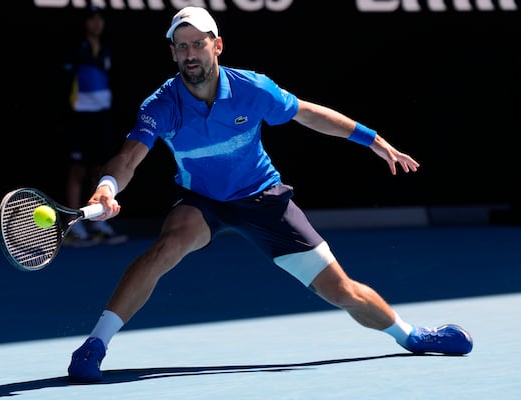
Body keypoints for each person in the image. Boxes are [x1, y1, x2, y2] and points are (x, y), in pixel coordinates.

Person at [67, 6, 473, 382]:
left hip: (262, 196)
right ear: (173, 53)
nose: (191, 54)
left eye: (198, 43)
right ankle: (94, 345)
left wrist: (372, 140)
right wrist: (106, 188)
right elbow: (127, 157)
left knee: (341, 290)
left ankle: (411, 336)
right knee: (163, 250)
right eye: (182, 46)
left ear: (217, 45)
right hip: (203, 201)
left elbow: (310, 113)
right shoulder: (162, 103)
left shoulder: (252, 89)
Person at [60, 5, 127, 246]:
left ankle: (98, 221)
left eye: (100, 19)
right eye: (92, 19)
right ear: (85, 23)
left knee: (100, 170)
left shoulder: (107, 51)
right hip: (80, 117)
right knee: (77, 170)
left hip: (102, 117)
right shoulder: (75, 51)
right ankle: (74, 227)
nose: (97, 24)